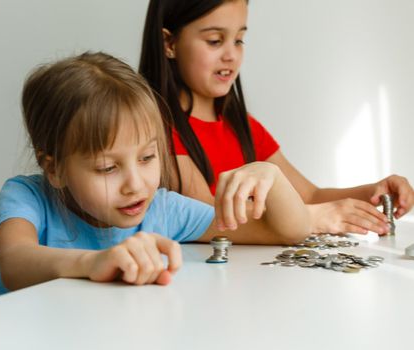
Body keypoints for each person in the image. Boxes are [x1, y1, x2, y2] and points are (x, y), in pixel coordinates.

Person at [0, 52, 310, 297]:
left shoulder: (164, 209)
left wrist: (272, 176)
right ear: (54, 168)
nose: (136, 185)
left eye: (148, 157)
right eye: (108, 168)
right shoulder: (28, 196)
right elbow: (14, 263)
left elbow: (288, 233)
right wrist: (94, 263)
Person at [138, 0, 414, 235]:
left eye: (239, 40)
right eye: (214, 41)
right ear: (169, 43)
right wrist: (314, 219)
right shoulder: (157, 128)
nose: (231, 55)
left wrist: (374, 193)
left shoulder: (242, 125)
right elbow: (207, 216)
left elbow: (310, 196)